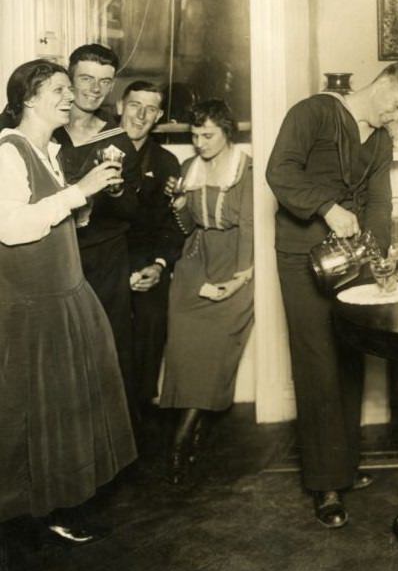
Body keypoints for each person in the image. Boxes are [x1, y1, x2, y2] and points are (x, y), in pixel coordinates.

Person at [266, 61, 398, 528]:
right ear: (384, 83)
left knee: (349, 355)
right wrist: (328, 208)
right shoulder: (313, 112)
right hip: (302, 257)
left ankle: (344, 465)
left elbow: (381, 202)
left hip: (353, 258)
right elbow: (280, 172)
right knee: (317, 362)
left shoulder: (379, 140)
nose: (396, 117)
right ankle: (325, 485)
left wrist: (377, 258)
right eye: (397, 105)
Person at [0, 59, 136, 544]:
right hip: (34, 306)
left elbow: (58, 220)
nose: (69, 97)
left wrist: (88, 199)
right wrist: (79, 191)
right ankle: (39, 510)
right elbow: (11, 228)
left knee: (67, 407)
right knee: (38, 411)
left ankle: (61, 502)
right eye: (58, 89)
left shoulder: (51, 150)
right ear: (29, 98)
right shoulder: (8, 153)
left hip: (66, 292)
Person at [158, 100, 254, 484]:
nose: (199, 143)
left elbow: (248, 226)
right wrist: (178, 204)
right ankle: (188, 426)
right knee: (183, 343)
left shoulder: (244, 168)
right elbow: (185, 227)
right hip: (197, 256)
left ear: (227, 131)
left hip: (235, 258)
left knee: (215, 347)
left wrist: (241, 277)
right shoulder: (189, 168)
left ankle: (182, 436)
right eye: (194, 136)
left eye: (207, 135)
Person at [53, 44, 141, 414]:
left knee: (108, 348)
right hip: (55, 256)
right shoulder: (44, 129)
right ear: (69, 79)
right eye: (86, 78)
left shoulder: (117, 138)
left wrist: (118, 190)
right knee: (58, 351)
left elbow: (133, 212)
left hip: (105, 257)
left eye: (105, 82)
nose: (95, 89)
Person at [120, 81, 184, 421]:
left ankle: (142, 411)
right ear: (120, 106)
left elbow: (171, 225)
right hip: (104, 262)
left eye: (150, 109)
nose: (141, 115)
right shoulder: (95, 150)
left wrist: (159, 266)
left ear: (158, 116)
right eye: (135, 105)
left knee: (152, 321)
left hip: (147, 262)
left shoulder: (166, 162)